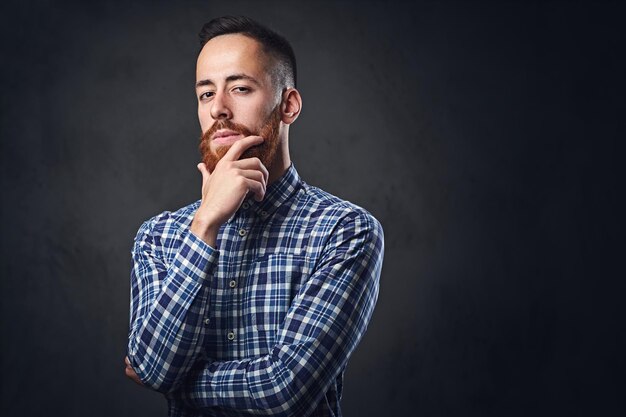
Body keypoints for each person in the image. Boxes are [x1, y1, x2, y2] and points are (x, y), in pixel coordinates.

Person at [125, 15, 384, 417]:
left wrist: (180, 387)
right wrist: (205, 225)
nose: (219, 110)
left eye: (240, 88)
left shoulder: (343, 231)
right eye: (206, 94)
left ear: (289, 105)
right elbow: (153, 367)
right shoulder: (159, 237)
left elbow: (285, 393)